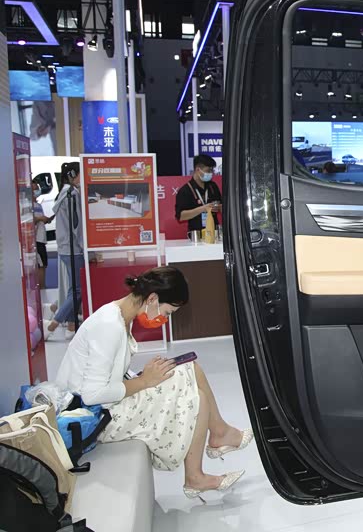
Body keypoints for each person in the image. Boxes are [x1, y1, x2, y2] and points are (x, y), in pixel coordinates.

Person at [54, 266, 251, 501]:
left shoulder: (118, 317)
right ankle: (200, 468)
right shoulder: (109, 326)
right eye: (167, 312)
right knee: (196, 395)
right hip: (95, 419)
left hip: (103, 406)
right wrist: (145, 381)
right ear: (153, 299)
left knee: (189, 368)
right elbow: (92, 395)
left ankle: (217, 436)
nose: (165, 319)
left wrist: (142, 377)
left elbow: (108, 376)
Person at [47, 162, 83, 338]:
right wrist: (85, 247)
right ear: (73, 175)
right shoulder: (71, 195)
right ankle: (54, 324)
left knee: (73, 288)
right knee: (77, 290)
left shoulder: (64, 193)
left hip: (65, 248)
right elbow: (76, 226)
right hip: (74, 248)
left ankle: (70, 324)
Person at [175, 154, 222, 236]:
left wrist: (219, 207)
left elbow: (222, 206)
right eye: (208, 171)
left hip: (214, 233)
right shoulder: (185, 190)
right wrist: (203, 208)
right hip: (196, 235)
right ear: (198, 169)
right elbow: (181, 216)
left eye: (212, 171)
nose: (211, 173)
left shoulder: (213, 186)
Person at [32, 180, 52, 289]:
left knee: (43, 265)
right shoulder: (28, 205)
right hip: (36, 239)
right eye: (34, 189)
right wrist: (40, 218)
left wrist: (45, 220)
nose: (37, 191)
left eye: (37, 188)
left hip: (41, 238)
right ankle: (41, 288)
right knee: (40, 265)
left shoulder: (39, 205)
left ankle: (43, 287)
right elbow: (28, 221)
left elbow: (40, 220)